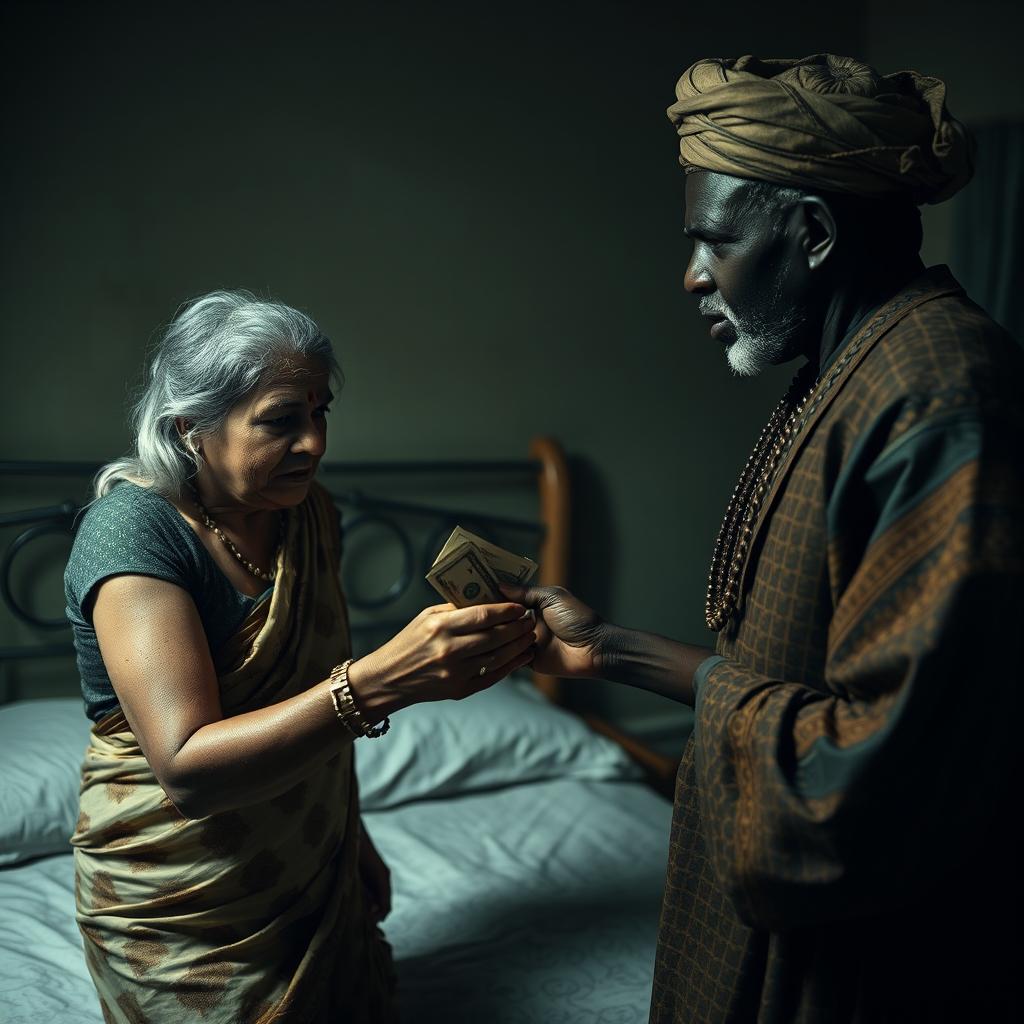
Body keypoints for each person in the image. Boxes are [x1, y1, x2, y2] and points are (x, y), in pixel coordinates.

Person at [507, 54, 1023, 1021]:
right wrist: (604, 646)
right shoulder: (848, 369)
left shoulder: (941, 398)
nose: (692, 277)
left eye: (714, 243)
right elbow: (787, 673)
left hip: (863, 969)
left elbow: (866, 770)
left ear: (815, 233)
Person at [64, 290, 537, 1023]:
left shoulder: (307, 516)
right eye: (282, 420)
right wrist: (380, 682)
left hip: (310, 877)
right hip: (181, 912)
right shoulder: (133, 535)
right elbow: (187, 770)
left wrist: (351, 840)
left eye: (320, 414)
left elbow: (306, 697)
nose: (314, 443)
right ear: (192, 426)